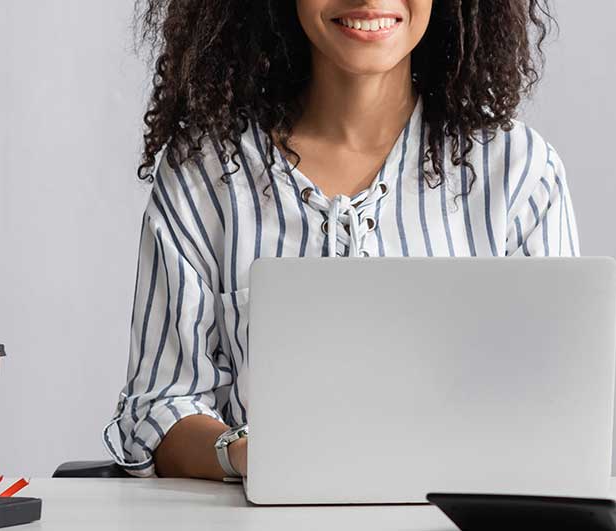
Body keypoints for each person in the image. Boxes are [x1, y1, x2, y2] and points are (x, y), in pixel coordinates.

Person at [103, 0, 572, 480]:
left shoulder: (520, 175)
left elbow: (560, 412)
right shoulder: (204, 176)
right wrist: (243, 453)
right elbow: (160, 408)